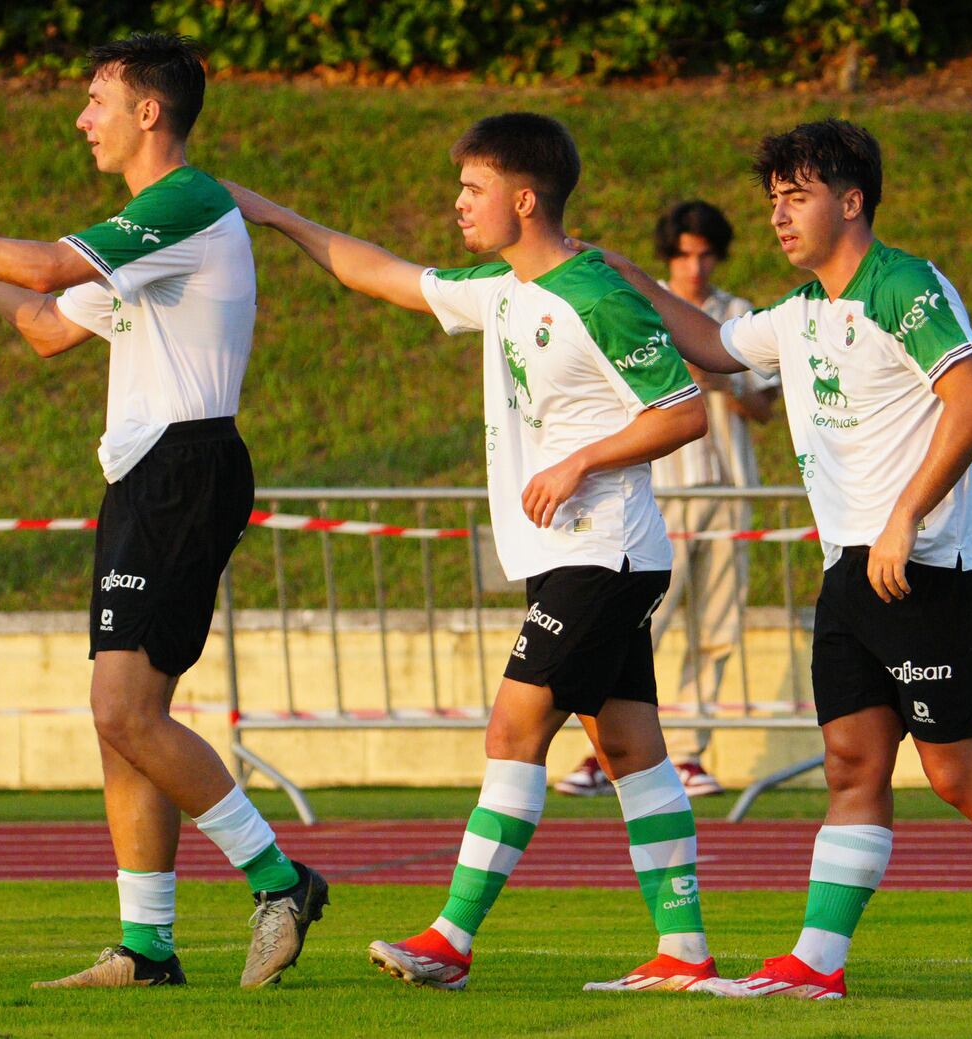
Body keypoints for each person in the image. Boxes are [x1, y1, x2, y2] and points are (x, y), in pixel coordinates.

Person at [587, 117, 972, 1001]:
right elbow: (717, 347)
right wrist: (621, 273)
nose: (778, 216)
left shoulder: (903, 285)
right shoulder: (800, 314)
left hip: (929, 562)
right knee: (851, 763)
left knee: (956, 770)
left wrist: (904, 517)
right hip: (852, 567)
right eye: (772, 201)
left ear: (850, 200)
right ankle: (817, 960)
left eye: (795, 197)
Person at [0, 33, 327, 989]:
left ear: (149, 112)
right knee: (124, 718)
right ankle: (147, 947)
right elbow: (39, 327)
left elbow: (44, 272)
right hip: (146, 476)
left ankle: (281, 879)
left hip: (185, 472)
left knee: (123, 709)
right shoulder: (151, 231)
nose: (81, 118)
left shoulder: (186, 204)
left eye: (96, 99)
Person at [229, 112, 721, 994]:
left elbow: (684, 409)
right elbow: (384, 274)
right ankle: (684, 950)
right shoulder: (503, 292)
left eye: (473, 188)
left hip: (602, 554)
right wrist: (277, 217)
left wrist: (580, 460)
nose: (458, 203)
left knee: (513, 729)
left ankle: (450, 938)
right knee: (631, 747)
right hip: (575, 556)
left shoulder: (596, 293)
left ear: (524, 199)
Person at [554, 201, 777, 799]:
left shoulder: (737, 317)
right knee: (635, 622)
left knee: (718, 622)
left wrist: (721, 380)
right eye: (683, 253)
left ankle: (689, 753)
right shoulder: (635, 306)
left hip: (728, 490)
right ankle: (602, 751)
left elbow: (764, 407)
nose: (695, 265)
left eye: (705, 253)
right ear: (668, 255)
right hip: (657, 489)